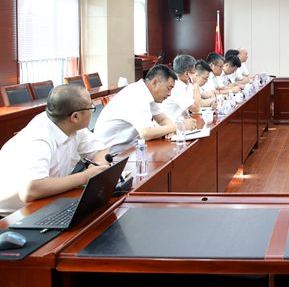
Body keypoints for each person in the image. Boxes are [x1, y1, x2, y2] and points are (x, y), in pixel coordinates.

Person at [0, 84, 109, 215]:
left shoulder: (69, 124)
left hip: (45, 201)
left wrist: (97, 168)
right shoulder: (39, 138)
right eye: (91, 107)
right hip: (12, 216)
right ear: (75, 117)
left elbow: (100, 152)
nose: (92, 111)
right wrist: (86, 176)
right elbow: (30, 191)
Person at [94, 64, 196, 154]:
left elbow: (162, 119)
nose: (169, 94)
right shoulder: (136, 95)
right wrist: (179, 126)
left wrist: (170, 130)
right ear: (155, 82)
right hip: (112, 156)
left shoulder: (146, 92)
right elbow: (146, 133)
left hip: (129, 149)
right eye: (168, 88)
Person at [161, 55, 216, 121]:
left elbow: (198, 100)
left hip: (184, 121)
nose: (196, 74)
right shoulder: (176, 87)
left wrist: (210, 103)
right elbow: (196, 108)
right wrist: (196, 84)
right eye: (194, 71)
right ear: (187, 74)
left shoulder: (187, 83)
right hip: (172, 124)